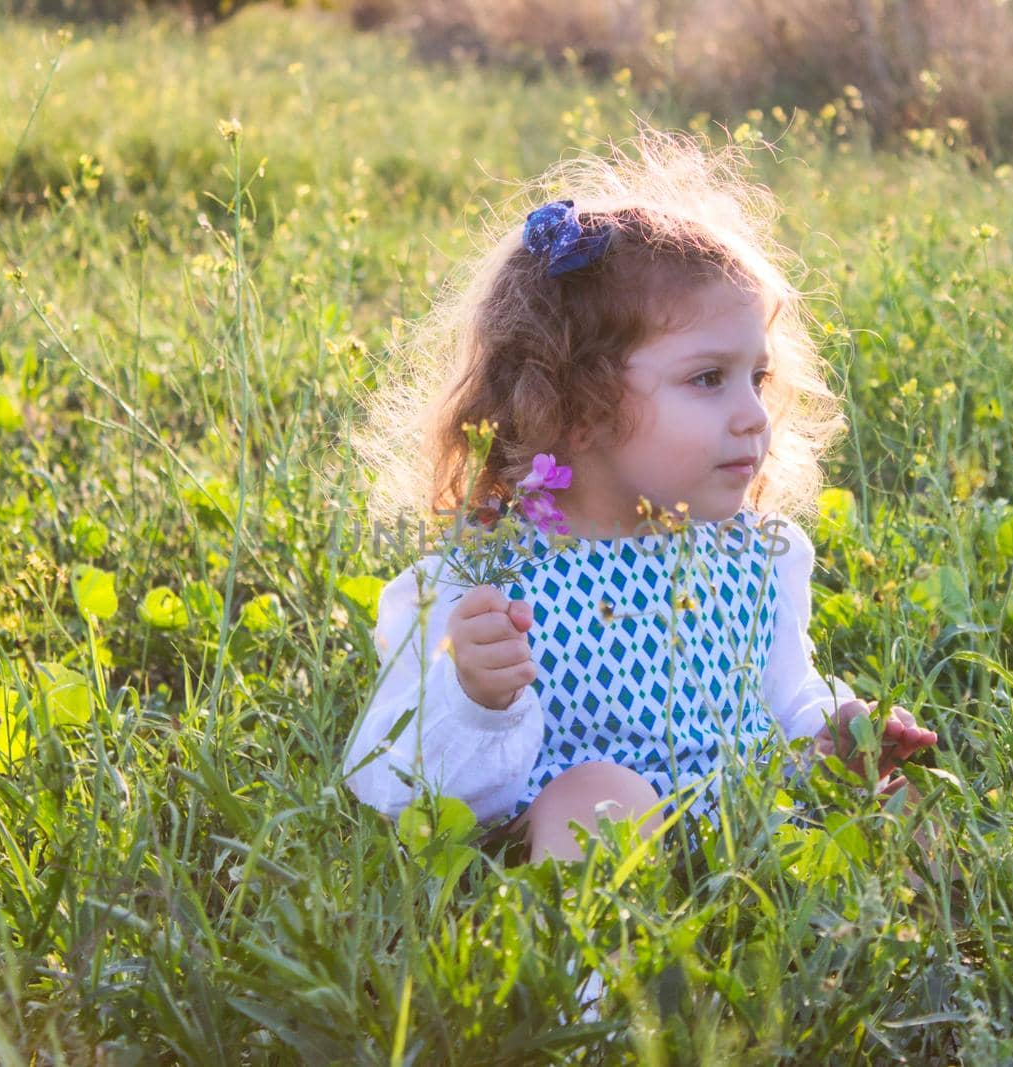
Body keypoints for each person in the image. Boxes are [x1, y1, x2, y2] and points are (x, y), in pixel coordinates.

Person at [343, 128, 937, 871]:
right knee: (598, 793)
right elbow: (383, 777)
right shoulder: (485, 582)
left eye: (756, 377)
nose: (754, 414)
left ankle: (925, 956)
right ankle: (610, 978)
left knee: (906, 795)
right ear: (578, 407)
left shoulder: (757, 554)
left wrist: (838, 726)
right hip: (586, 826)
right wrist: (471, 695)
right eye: (707, 379)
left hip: (751, 832)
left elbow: (787, 696)